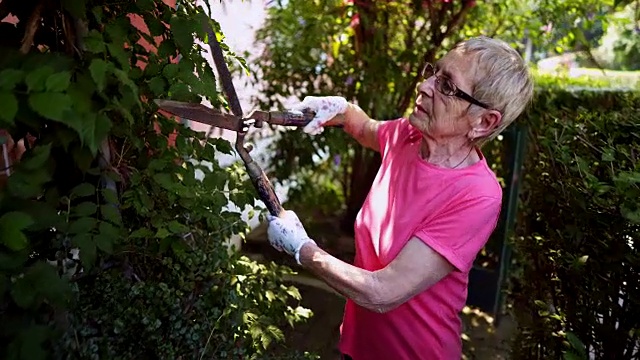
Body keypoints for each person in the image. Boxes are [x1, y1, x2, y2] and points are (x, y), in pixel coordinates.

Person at [265, 36, 534, 360]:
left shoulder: (477, 196)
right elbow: (364, 127)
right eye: (435, 72)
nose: (425, 86)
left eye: (447, 86)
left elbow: (382, 292)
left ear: (484, 121)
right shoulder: (409, 136)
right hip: (358, 346)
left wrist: (302, 249)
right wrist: (339, 109)